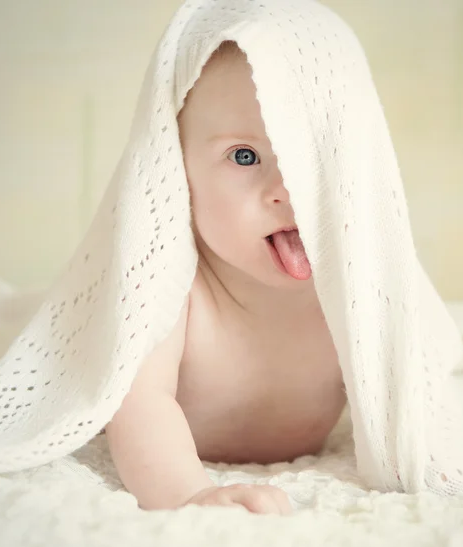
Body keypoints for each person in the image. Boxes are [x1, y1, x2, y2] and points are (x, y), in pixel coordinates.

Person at [105, 42, 345, 515]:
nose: (288, 189)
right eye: (244, 156)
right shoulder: (174, 285)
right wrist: (187, 494)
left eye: (316, 155)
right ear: (176, 170)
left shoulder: (360, 285)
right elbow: (137, 402)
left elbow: (415, 385)